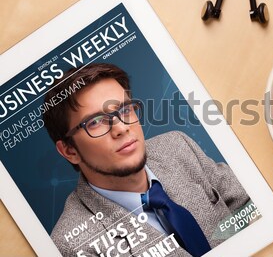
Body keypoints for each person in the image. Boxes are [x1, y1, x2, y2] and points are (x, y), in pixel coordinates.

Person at [43, 63, 250, 257]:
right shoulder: (71, 245)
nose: (121, 128)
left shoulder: (177, 145)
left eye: (124, 110)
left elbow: (248, 205)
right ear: (69, 150)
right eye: (95, 122)